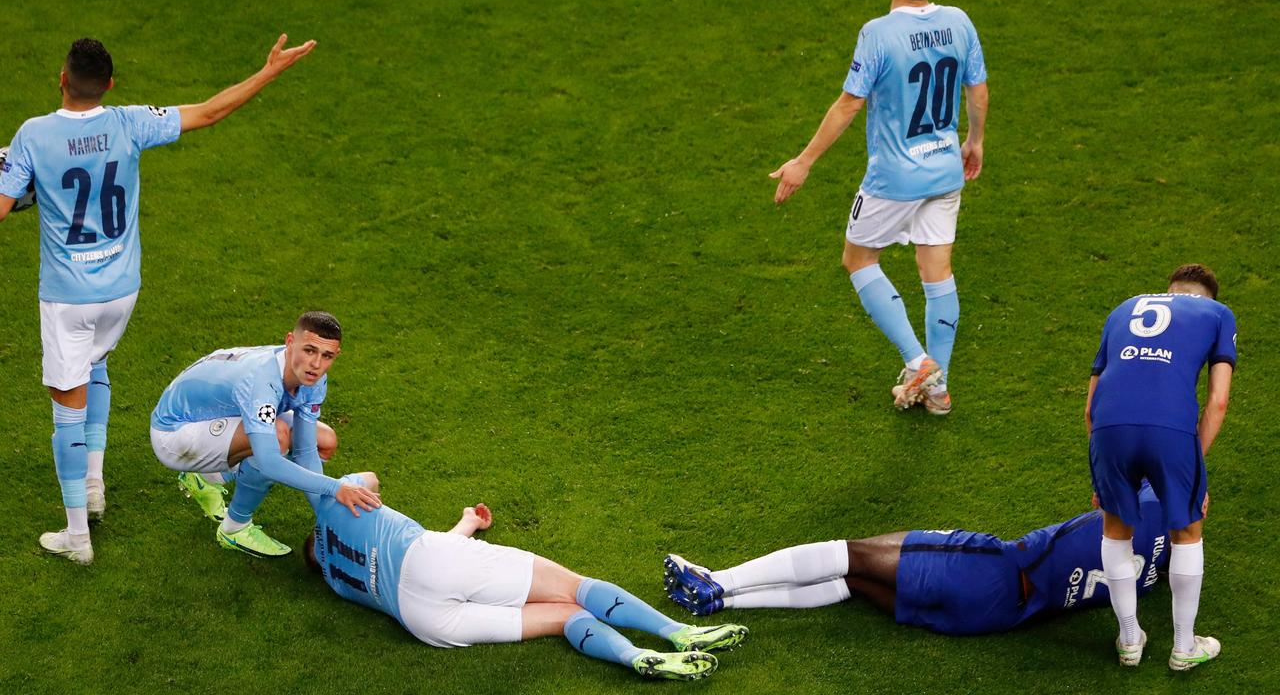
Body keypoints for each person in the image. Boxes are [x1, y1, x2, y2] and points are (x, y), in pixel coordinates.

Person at [0, 35, 317, 565]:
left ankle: (77, 537)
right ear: (111, 86)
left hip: (66, 299)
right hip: (121, 293)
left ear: (61, 78)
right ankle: (95, 482)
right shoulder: (129, 121)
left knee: (65, 411)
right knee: (96, 364)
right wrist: (267, 72)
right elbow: (210, 112)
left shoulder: (34, 135)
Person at [768, 0, 987, 414]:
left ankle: (918, 361)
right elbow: (976, 89)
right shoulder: (959, 22)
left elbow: (850, 103)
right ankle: (938, 389)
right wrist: (974, 141)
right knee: (937, 272)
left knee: (859, 259)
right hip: (945, 169)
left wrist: (804, 161)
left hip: (894, 179)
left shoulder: (878, 33)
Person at [303, 473, 749, 681]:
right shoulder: (329, 505)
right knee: (575, 588)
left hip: (421, 620)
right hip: (430, 558)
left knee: (561, 616)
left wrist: (465, 526)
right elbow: (372, 483)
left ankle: (634, 658)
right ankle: (682, 633)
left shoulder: (335, 580)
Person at [665, 483, 1171, 638]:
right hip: (996, 618)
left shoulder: (1132, 514)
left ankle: (720, 581)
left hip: (985, 572)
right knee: (855, 582)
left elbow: (1039, 546)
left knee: (852, 553)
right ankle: (722, 606)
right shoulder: (1156, 570)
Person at [1086, 263, 1235, 670]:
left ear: (1169, 290)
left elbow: (1090, 406)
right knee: (1187, 531)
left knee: (1115, 529)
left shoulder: (1123, 309)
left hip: (1109, 428)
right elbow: (1218, 401)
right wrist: (1194, 468)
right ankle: (1184, 648)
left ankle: (1129, 641)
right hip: (1171, 431)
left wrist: (1102, 467)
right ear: (1207, 297)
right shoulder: (1218, 314)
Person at [150, 312, 380, 559]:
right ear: (290, 341)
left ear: (336, 355)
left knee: (324, 441)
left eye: (327, 356)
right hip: (174, 433)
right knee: (276, 439)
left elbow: (305, 450)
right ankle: (234, 528)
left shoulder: (313, 377)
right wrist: (336, 488)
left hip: (218, 416)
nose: (316, 364)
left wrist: (326, 517)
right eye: (310, 350)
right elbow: (270, 462)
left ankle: (207, 478)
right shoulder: (261, 381)